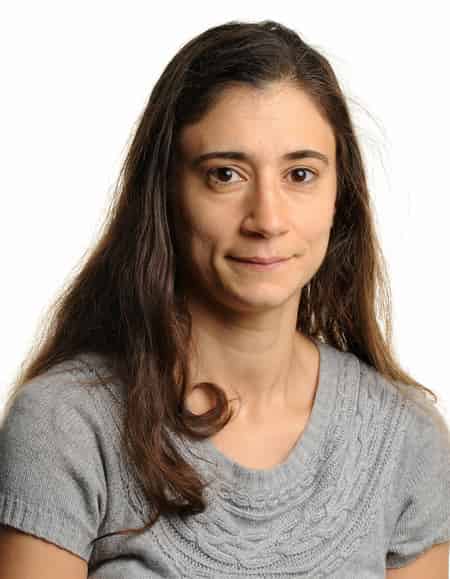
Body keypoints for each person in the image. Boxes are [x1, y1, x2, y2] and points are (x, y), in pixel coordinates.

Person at [0, 19, 449, 579]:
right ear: (166, 192)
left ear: (341, 195)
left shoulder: (404, 439)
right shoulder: (66, 425)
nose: (267, 219)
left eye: (300, 174)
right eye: (226, 174)